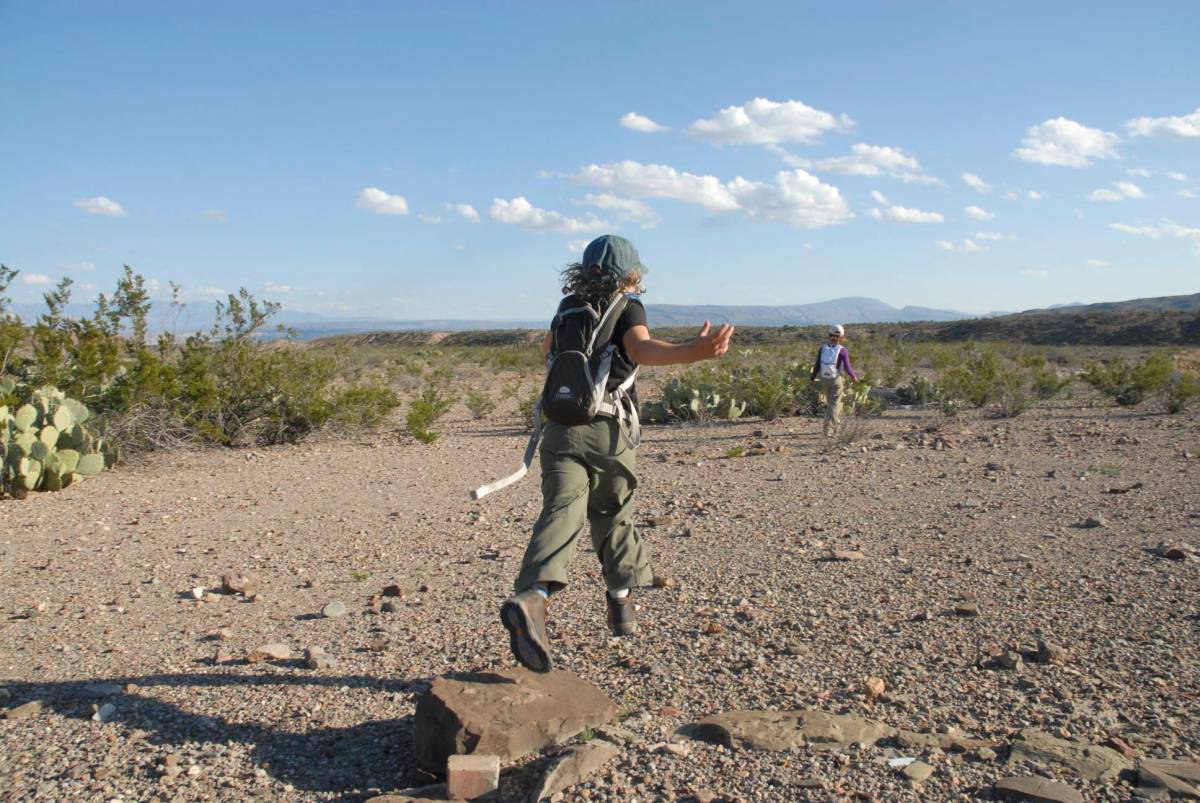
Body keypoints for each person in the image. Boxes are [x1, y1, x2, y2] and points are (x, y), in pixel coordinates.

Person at [501, 234, 734, 673]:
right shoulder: (628, 306)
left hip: (559, 428)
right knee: (612, 511)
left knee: (562, 509)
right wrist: (693, 351)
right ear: (631, 273)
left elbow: (548, 352)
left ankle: (533, 596)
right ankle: (620, 602)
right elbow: (640, 348)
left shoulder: (567, 307)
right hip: (607, 431)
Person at [810, 324, 859, 436]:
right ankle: (828, 429)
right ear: (841, 337)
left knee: (832, 404)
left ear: (829, 335)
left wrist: (812, 378)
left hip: (824, 379)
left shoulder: (823, 348)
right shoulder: (842, 350)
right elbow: (848, 367)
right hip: (836, 380)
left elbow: (817, 364)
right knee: (833, 405)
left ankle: (835, 424)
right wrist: (854, 376)